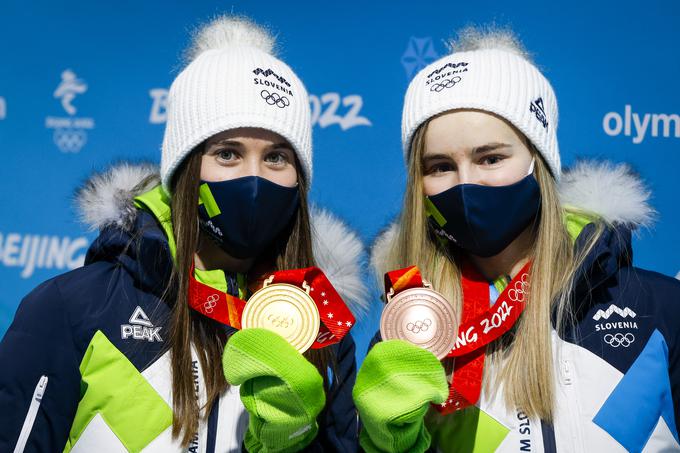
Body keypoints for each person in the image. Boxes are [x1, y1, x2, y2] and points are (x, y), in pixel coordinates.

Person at [0, 16, 364, 452]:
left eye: (276, 157)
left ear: (300, 179)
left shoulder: (321, 333)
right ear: (186, 170)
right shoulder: (72, 309)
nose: (254, 178)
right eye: (227, 153)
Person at [353, 26, 680, 452]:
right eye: (439, 167)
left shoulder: (660, 309)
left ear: (539, 161)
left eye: (491, 157)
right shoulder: (411, 335)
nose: (466, 183)